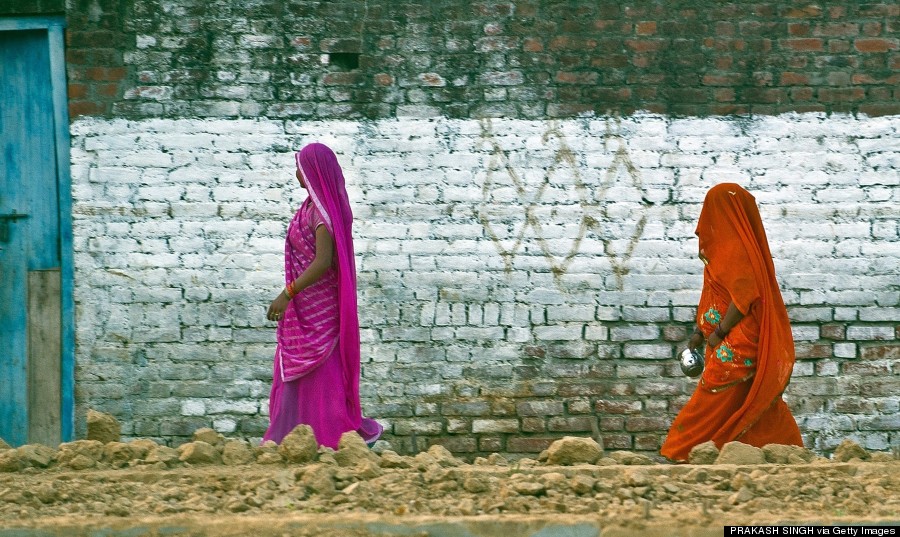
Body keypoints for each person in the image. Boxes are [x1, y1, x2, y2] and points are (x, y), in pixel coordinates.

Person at [660, 183, 802, 462]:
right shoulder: (723, 246)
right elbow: (718, 296)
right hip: (724, 336)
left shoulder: (736, 247)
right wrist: (701, 332)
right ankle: (785, 449)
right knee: (748, 395)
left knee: (712, 390)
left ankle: (679, 450)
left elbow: (743, 297)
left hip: (740, 337)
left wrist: (719, 333)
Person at [263, 143, 382, 449]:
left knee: (323, 371)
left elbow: (323, 261)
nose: (296, 173)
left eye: (300, 167)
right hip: (302, 306)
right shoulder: (308, 207)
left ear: (313, 171)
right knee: (295, 369)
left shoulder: (322, 214)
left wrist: (287, 293)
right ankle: (292, 437)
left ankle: (334, 437)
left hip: (319, 307)